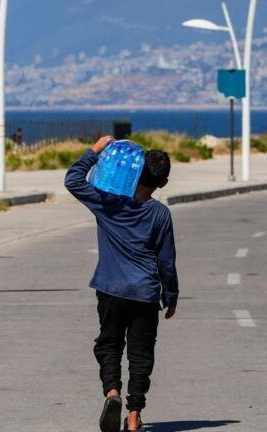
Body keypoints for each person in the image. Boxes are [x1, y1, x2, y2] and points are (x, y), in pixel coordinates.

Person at [64, 135, 178, 432]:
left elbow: (73, 180)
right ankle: (134, 415)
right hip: (145, 293)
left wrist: (96, 150)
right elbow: (166, 260)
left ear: (135, 170)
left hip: (111, 289)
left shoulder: (107, 202)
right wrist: (172, 295)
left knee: (109, 345)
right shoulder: (160, 214)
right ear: (162, 184)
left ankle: (112, 392)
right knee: (141, 354)